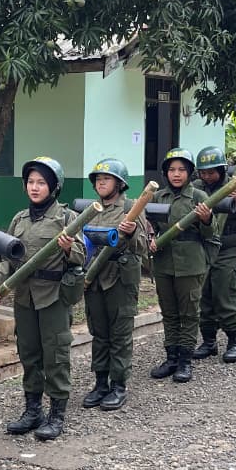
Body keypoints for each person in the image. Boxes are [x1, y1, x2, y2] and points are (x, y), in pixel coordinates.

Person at [0, 157, 85, 440]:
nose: (35, 187)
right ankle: (32, 410)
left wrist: (67, 249)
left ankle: (56, 414)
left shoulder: (66, 218)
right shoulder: (19, 219)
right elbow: (8, 257)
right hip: (25, 297)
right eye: (31, 182)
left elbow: (81, 257)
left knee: (55, 354)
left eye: (41, 182)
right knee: (29, 353)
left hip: (52, 297)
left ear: (54, 187)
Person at [81, 158, 146, 412]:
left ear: (119, 184)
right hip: (95, 278)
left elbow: (142, 248)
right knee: (99, 333)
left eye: (106, 179)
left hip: (120, 278)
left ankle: (118, 385)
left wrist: (130, 233)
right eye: (98, 179)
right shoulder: (92, 209)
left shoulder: (131, 208)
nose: (101, 183)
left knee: (119, 334)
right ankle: (100, 383)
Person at [148, 148, 216, 384]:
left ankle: (185, 360)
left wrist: (206, 219)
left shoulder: (198, 196)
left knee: (188, 313)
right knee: (169, 312)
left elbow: (211, 233)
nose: (176, 174)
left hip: (191, 263)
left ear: (189, 172)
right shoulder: (158, 197)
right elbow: (150, 226)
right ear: (166, 173)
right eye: (172, 170)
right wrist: (150, 239)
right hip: (164, 262)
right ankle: (171, 357)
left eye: (182, 170)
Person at [191, 145, 236, 364]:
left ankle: (234, 341)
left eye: (212, 172)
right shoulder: (197, 187)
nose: (207, 176)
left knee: (226, 294)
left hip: (228, 248)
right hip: (203, 248)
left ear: (221, 170)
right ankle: (209, 341)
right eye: (204, 172)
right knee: (204, 296)